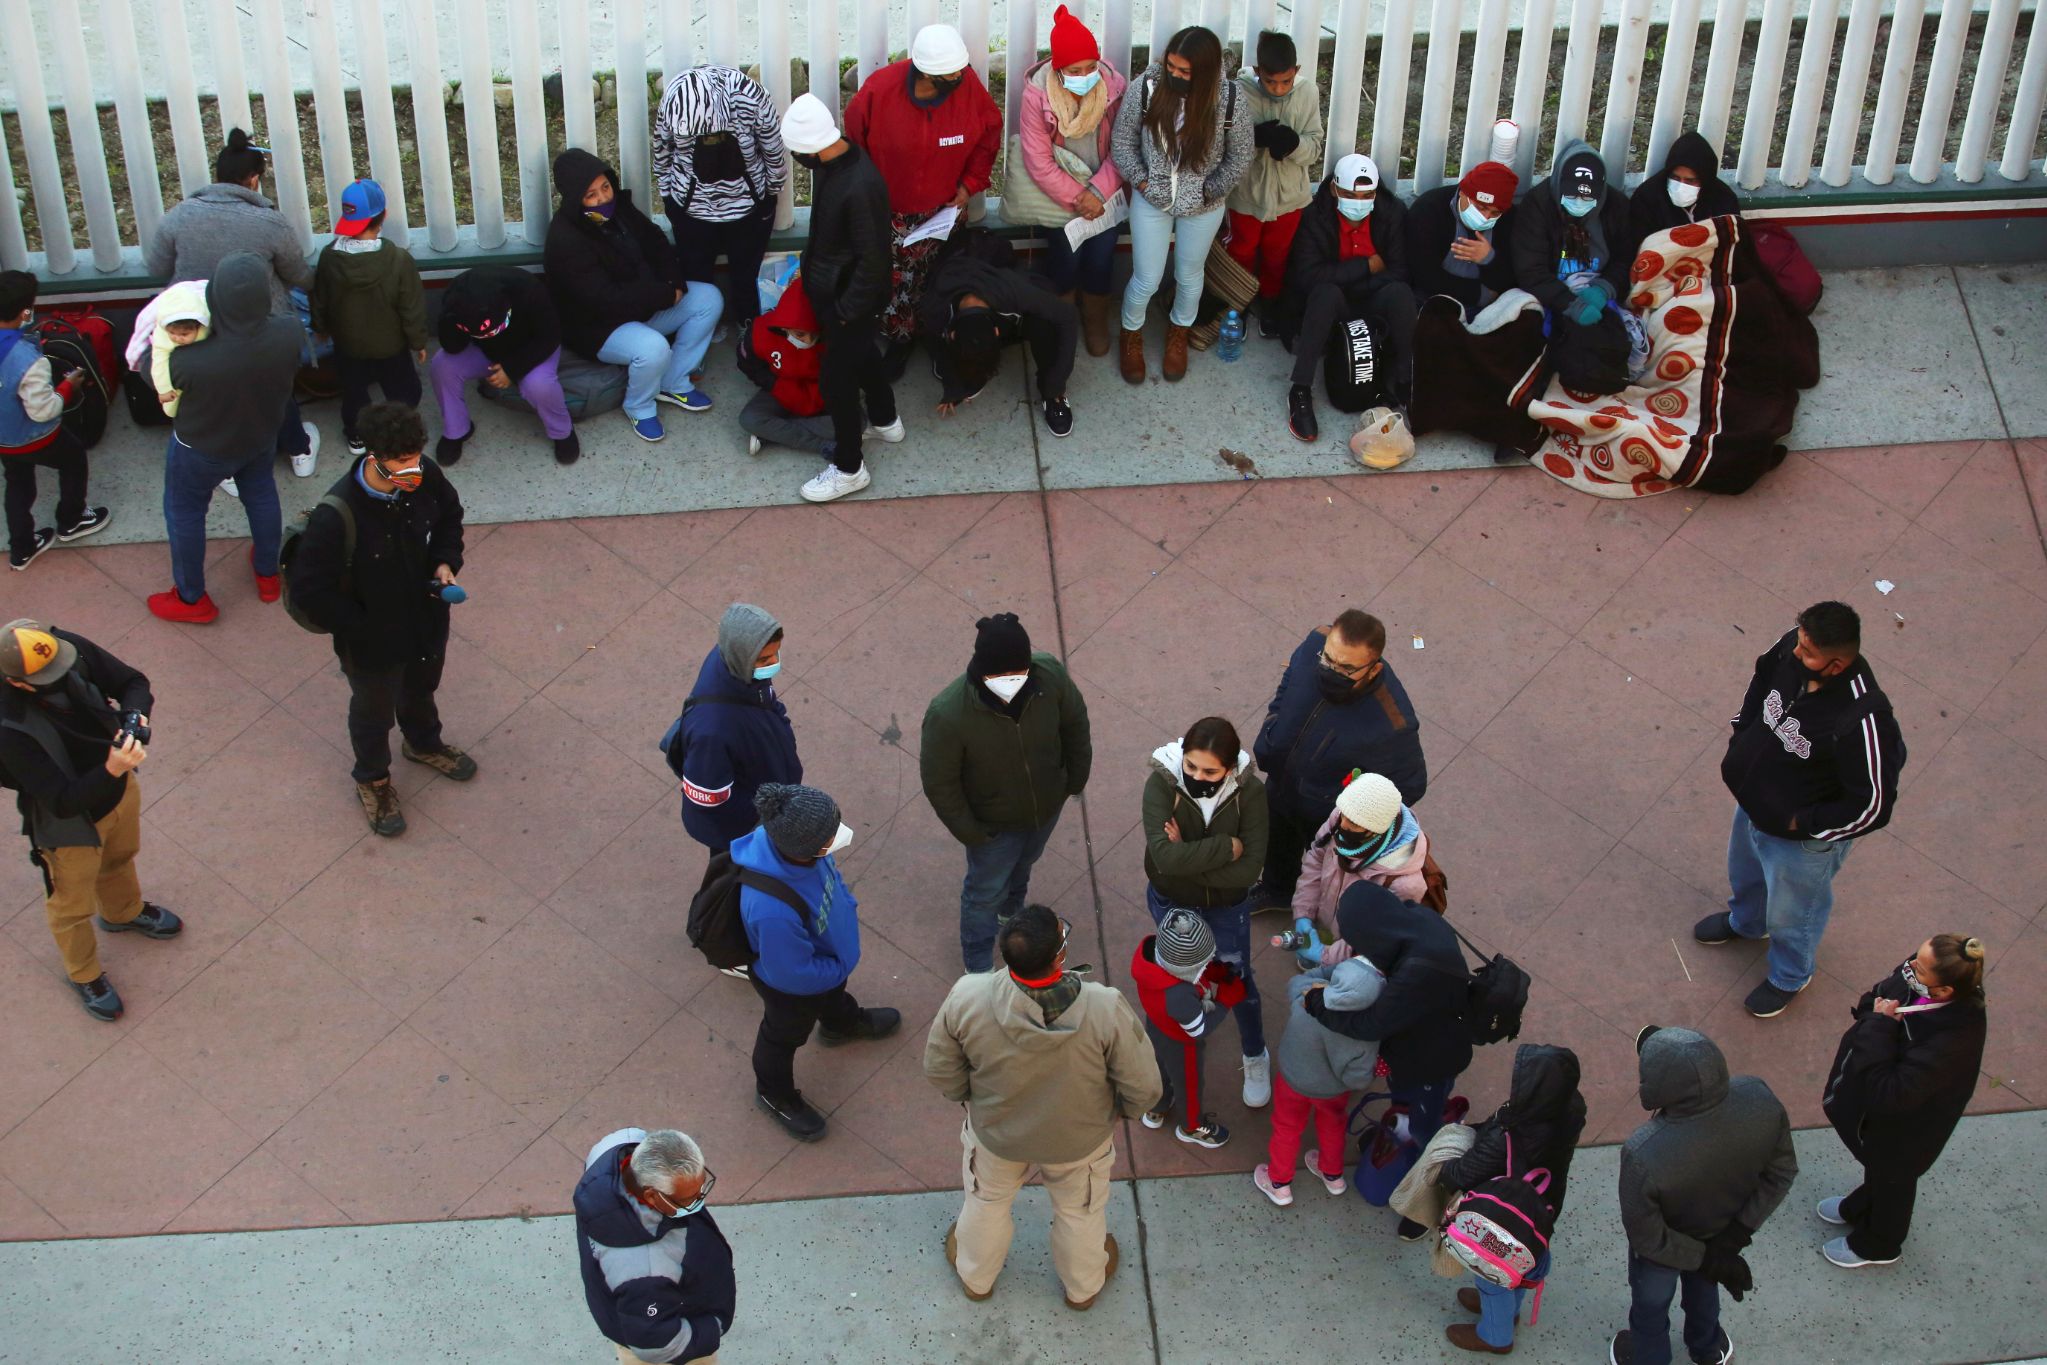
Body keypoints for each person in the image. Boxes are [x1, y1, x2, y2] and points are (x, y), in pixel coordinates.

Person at [923, 903, 1162, 1309]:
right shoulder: (1104, 1007)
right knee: (1080, 1213)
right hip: (1079, 1141)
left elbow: (941, 1069)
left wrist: (971, 1101)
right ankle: (1083, 1289)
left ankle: (976, 1278)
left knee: (986, 1201)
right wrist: (1122, 1112)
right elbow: (1144, 1087)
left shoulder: (968, 996)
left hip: (997, 1135)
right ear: (1059, 957)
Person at [1695, 601, 1904, 1018]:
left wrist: (1803, 824)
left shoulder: (1863, 718)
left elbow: (1873, 806)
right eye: (1800, 641)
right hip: (1755, 803)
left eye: (1808, 652)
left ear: (1837, 664)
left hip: (1801, 842)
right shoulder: (1792, 646)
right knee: (1746, 872)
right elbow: (1760, 682)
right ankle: (1748, 923)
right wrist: (1742, 735)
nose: (1796, 652)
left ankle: (1791, 975)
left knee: (1794, 914)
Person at [285, 403, 472, 838]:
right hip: (370, 640)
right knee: (373, 712)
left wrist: (445, 561)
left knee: (421, 686)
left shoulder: (426, 475)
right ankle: (373, 780)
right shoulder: (336, 517)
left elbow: (449, 518)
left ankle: (423, 743)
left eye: (416, 457)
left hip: (426, 617)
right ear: (376, 456)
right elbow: (311, 593)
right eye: (403, 463)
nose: (414, 469)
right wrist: (365, 628)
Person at [0, 620, 180, 1022]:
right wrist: (113, 769)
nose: (63, 675)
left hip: (117, 787)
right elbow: (62, 801)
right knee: (70, 905)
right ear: (20, 684)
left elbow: (132, 681)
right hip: (69, 823)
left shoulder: (63, 650)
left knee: (120, 857)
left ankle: (123, 912)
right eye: (50, 678)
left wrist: (135, 717)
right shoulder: (8, 729)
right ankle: (84, 973)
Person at [1614, 1025, 1796, 1365]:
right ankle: (1707, 1349)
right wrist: (1729, 1241)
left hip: (1664, 1255)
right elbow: (1782, 1172)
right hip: (1721, 1234)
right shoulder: (1759, 1097)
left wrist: (1705, 1256)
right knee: (1703, 1293)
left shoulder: (1643, 1153)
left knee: (1651, 1306)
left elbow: (1648, 1238)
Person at [920, 613, 1092, 972]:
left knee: (1025, 862)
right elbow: (940, 784)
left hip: (1044, 807)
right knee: (983, 893)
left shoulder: (1050, 676)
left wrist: (1073, 780)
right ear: (980, 671)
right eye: (998, 676)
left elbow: (1075, 723)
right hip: (992, 826)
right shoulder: (948, 714)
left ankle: (1010, 910)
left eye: (1018, 673)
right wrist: (973, 834)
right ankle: (978, 964)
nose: (1009, 682)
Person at [144, 127, 318, 479]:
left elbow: (157, 269)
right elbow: (300, 275)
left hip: (194, 331)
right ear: (254, 180)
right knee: (276, 386)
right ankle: (298, 450)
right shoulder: (269, 221)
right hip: (260, 327)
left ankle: (227, 472)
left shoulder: (179, 216)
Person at [1302, 881, 1472, 1237]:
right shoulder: (1415, 921)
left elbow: (1372, 1024)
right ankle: (1404, 1139)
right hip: (1412, 1050)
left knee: (1427, 1132)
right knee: (1404, 1106)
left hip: (1432, 1060)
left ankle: (1432, 1205)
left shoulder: (1419, 968)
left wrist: (1317, 1005)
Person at [735, 782, 900, 1141]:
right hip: (793, 988)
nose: (839, 837)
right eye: (831, 834)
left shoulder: (802, 845)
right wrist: (837, 968)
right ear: (804, 848)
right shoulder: (770, 910)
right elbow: (791, 974)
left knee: (833, 995)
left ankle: (841, 1024)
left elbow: (830, 875)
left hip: (825, 963)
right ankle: (774, 1094)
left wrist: (847, 905)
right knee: (782, 1037)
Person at [1818, 934, 1988, 1269]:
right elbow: (1873, 998)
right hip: (1882, 1121)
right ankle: (1861, 1205)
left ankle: (1879, 1244)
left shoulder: (1954, 1038)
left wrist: (1880, 1028)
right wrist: (1876, 1018)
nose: (1908, 968)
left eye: (1919, 968)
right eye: (1914, 959)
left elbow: (1890, 1094)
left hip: (1908, 1130)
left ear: (1944, 991)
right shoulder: (1917, 978)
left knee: (1894, 1179)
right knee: (1880, 1171)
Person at [150, 252, 302, 625]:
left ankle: (192, 599)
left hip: (199, 448)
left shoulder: (188, 360)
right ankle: (268, 575)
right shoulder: (289, 330)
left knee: (185, 514)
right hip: (260, 436)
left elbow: (155, 380)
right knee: (262, 495)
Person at [843, 24, 1004, 350]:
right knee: (894, 283)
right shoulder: (880, 90)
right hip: (891, 211)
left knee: (939, 277)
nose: (962, 76)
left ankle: (938, 337)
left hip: (944, 209)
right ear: (928, 75)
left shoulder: (968, 85)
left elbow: (988, 137)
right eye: (953, 74)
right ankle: (899, 341)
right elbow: (856, 141)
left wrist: (969, 185)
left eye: (962, 69)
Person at [545, 149, 721, 443]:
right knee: (653, 348)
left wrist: (674, 282)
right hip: (600, 327)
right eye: (591, 195)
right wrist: (663, 295)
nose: (603, 198)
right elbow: (604, 299)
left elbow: (655, 240)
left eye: (605, 187)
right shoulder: (566, 240)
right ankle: (639, 405)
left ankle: (674, 380)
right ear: (575, 198)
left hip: (645, 305)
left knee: (709, 299)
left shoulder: (618, 208)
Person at [1110, 25, 1254, 383]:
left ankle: (1179, 333)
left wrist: (1211, 190)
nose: (1174, 75)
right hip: (1151, 200)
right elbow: (1122, 142)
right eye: (1171, 66)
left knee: (1190, 276)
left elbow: (1240, 156)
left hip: (1203, 206)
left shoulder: (1230, 99)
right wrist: (1143, 182)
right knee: (1146, 277)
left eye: (1184, 71)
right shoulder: (1147, 86)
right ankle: (1131, 334)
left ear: (1204, 73)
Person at [1254, 609, 1427, 905]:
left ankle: (1317, 910)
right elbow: (1289, 683)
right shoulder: (1315, 643)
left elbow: (1409, 785)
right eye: (1328, 659)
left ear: (1373, 669)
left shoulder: (1393, 724)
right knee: (1277, 842)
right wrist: (1274, 725)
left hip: (1323, 814)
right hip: (1281, 778)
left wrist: (1343, 805)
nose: (1331, 670)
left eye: (1346, 669)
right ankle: (1277, 890)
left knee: (1323, 867)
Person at [1142, 716, 1271, 1107]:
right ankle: (1171, 1054)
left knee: (1236, 979)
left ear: (1230, 769)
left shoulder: (1250, 795)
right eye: (1191, 766)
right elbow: (1164, 860)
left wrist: (1187, 855)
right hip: (1171, 901)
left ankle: (1255, 1053)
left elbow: (1250, 871)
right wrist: (1226, 848)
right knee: (1178, 978)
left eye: (1210, 771)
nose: (1198, 776)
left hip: (1225, 910)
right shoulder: (1160, 785)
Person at [778, 92, 900, 505]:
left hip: (848, 301)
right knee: (863, 355)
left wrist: (847, 311)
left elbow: (874, 259)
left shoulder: (857, 184)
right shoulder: (837, 162)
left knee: (836, 382)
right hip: (842, 295)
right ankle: (885, 420)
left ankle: (850, 468)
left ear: (810, 148)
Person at [1435, 1044, 1587, 1355]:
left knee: (1493, 1274)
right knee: (1526, 1261)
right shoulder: (1570, 1108)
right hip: (1542, 1209)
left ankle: (1495, 1335)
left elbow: (1461, 1174)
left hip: (1504, 1216)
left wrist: (1443, 1163)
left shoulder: (1513, 1129)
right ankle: (1510, 1309)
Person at [1276, 153, 1417, 442]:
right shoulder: (1315, 216)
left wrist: (1353, 282)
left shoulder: (1391, 212)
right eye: (1350, 194)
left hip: (1373, 301)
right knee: (1325, 293)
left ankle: (1406, 381)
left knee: (1400, 294)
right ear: (1333, 189)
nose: (1359, 201)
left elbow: (1401, 271)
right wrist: (1365, 267)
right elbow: (1307, 276)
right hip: (1332, 305)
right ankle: (1300, 390)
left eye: (1367, 195)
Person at [1015, 7, 1128, 355]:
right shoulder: (1037, 95)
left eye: (1090, 68)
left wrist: (1098, 193)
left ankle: (1094, 318)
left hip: (1104, 195)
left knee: (1100, 259)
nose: (1085, 76)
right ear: (1057, 69)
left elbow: (1122, 146)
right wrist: (1079, 198)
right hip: (1061, 196)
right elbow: (1038, 160)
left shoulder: (1113, 87)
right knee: (1064, 259)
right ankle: (1062, 320)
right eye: (1075, 71)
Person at [573, 1126, 734, 1364]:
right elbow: (658, 1346)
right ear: (651, 1196)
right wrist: (712, 1328)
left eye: (701, 1186)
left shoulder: (617, 1146)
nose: (700, 1198)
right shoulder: (645, 1267)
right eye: (689, 1198)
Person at [654, 63, 786, 327]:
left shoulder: (752, 97)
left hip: (748, 207)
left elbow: (773, 149)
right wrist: (669, 196)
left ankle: (747, 326)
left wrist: (769, 195)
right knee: (694, 276)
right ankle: (701, 331)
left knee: (746, 275)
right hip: (690, 210)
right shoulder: (673, 97)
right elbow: (662, 148)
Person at [669, 603, 801, 854]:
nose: (773, 663)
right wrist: (764, 816)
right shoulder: (711, 731)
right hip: (738, 832)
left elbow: (767, 699)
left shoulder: (740, 665)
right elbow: (712, 800)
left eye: (775, 654)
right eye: (764, 659)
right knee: (732, 882)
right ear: (741, 654)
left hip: (766, 791)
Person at [917, 234, 1080, 436]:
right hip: (960, 269)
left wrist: (1057, 380)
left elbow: (1068, 317)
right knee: (963, 363)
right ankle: (974, 369)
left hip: (1002, 284)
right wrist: (953, 385)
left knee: (1043, 323)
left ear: (997, 332)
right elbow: (934, 345)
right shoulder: (933, 308)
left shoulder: (1014, 290)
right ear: (950, 334)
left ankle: (1053, 397)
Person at [310, 179, 428, 459]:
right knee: (404, 392)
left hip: (348, 345)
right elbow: (411, 308)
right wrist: (418, 341)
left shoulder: (329, 257)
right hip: (391, 347)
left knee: (353, 392)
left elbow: (320, 297)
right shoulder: (399, 260)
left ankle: (356, 435)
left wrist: (321, 327)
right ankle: (398, 435)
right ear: (383, 216)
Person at [1, 272, 110, 571]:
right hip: (38, 436)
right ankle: (72, 520)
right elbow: (42, 410)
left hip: (4, 439)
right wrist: (68, 387)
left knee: (18, 485)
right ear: (25, 311)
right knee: (74, 460)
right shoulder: (27, 359)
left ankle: (22, 548)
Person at [1254, 952, 1381, 1206]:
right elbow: (1358, 1079)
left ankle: (1279, 1183)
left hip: (1293, 1080)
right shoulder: (1367, 1034)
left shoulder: (1308, 999)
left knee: (1286, 1128)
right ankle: (1332, 1175)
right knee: (1333, 1125)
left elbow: (1297, 981)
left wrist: (1330, 971)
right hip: (1333, 1090)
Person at [1223, 31, 1325, 331]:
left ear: (1297, 72)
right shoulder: (1238, 92)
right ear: (1257, 73)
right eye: (1270, 82)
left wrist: (1294, 144)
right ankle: (1236, 302)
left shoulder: (1308, 93)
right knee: (1241, 250)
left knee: (1277, 254)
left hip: (1290, 198)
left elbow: (1315, 146)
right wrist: (1253, 138)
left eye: (1286, 82)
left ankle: (1270, 300)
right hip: (1247, 194)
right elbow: (1224, 144)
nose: (1278, 89)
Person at [1285, 770, 1439, 968]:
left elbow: (1375, 934)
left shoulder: (1405, 885)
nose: (1343, 825)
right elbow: (1316, 859)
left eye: (1354, 824)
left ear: (1376, 829)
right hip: (1325, 921)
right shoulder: (1344, 815)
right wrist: (1304, 913)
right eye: (1344, 816)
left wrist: (1326, 956)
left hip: (1347, 951)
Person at [431, 264, 578, 465]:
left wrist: (512, 369)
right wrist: (452, 326)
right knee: (442, 365)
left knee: (539, 385)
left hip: (531, 347)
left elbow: (549, 337)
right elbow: (452, 347)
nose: (490, 334)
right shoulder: (455, 301)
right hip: (484, 351)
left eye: (494, 330)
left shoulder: (529, 290)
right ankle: (456, 429)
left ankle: (562, 431)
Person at [1132, 907, 1246, 1148]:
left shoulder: (1153, 958)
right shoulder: (1179, 996)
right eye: (1203, 964)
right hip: (1181, 1043)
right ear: (1187, 970)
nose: (1208, 964)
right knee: (1190, 1084)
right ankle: (1192, 1126)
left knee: (1159, 1066)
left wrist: (1209, 972)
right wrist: (1225, 999)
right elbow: (1199, 1029)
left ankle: (1157, 1107)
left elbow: (1183, 970)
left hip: (1156, 1025)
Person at [1405, 160, 1520, 316]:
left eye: (1494, 213)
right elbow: (1424, 274)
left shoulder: (1510, 219)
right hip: (1431, 303)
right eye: (1480, 207)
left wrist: (1489, 259)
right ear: (1463, 193)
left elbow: (1514, 275)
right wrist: (1479, 294)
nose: (1485, 217)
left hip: (1489, 309)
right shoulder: (1429, 209)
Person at [738, 281, 831, 457]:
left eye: (814, 333)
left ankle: (772, 433)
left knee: (856, 423)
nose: (807, 340)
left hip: (823, 390)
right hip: (782, 388)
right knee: (749, 419)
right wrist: (773, 383)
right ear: (783, 326)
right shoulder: (760, 332)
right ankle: (822, 445)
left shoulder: (834, 333)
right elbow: (747, 363)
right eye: (800, 334)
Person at [1630, 131, 1740, 243]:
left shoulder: (1724, 199)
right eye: (1675, 178)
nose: (1681, 186)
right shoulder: (1648, 197)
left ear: (1705, 181)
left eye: (1690, 181)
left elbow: (1731, 244)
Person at [143, 281, 209, 418]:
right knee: (175, 407)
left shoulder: (207, 327)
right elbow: (159, 363)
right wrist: (164, 389)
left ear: (198, 326)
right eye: (172, 333)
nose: (178, 338)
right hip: (178, 383)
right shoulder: (162, 336)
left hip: (202, 377)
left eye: (184, 334)